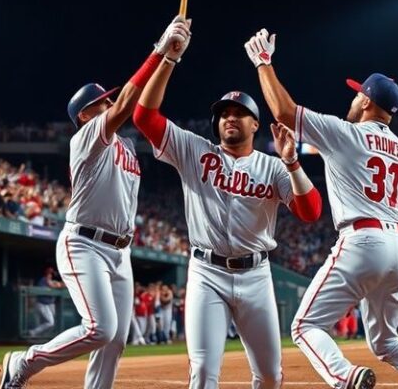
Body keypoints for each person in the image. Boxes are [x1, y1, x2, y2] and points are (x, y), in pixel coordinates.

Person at [244, 28, 398, 389]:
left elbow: (283, 110)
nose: (354, 99)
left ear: (368, 103)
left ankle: (345, 376)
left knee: (304, 326)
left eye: (358, 94)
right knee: (386, 341)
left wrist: (264, 63)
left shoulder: (347, 132)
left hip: (363, 240)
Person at [0, 16, 190, 389]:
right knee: (100, 329)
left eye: (106, 100)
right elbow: (124, 107)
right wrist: (158, 51)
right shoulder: (86, 137)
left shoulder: (126, 145)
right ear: (84, 115)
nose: (106, 105)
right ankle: (23, 362)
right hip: (83, 243)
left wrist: (171, 60)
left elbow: (138, 110)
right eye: (99, 103)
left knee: (116, 340)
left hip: (120, 250)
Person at [132, 21, 322, 389]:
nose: (229, 118)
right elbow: (143, 117)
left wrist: (293, 162)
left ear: (255, 124)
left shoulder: (272, 166)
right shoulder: (194, 150)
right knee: (203, 374)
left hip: (256, 275)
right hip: (207, 274)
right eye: (223, 113)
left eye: (238, 113)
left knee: (269, 376)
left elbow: (311, 212)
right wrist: (169, 58)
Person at [27, 267, 63, 339]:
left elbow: (61, 285)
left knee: (49, 323)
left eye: (51, 272)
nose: (51, 274)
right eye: (49, 272)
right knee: (50, 322)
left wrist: (57, 284)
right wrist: (55, 285)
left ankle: (41, 337)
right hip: (42, 304)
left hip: (50, 305)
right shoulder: (43, 280)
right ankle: (33, 332)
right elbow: (51, 285)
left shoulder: (53, 280)